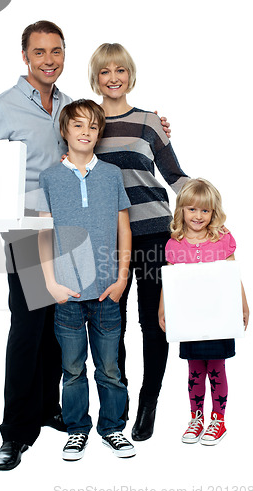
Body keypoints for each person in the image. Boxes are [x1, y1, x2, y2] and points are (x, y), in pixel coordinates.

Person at [0, 24, 170, 468]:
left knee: (58, 330)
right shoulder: (3, 107)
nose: (49, 59)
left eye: (57, 51)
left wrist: (156, 127)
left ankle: (54, 410)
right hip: (28, 232)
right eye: (40, 52)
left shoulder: (68, 105)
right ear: (24, 55)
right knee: (27, 331)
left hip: (75, 236)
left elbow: (102, 128)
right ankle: (15, 433)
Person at [88, 43, 189, 441]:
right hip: (107, 239)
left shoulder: (149, 122)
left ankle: (149, 400)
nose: (113, 78)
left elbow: (175, 176)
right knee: (112, 322)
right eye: (104, 72)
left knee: (154, 322)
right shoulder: (87, 124)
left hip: (153, 233)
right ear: (94, 78)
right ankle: (120, 399)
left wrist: (206, 202)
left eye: (120, 70)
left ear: (130, 74)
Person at [37, 99, 135, 460]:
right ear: (65, 131)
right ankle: (77, 430)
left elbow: (124, 228)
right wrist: (50, 283)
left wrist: (122, 276)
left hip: (108, 292)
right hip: (68, 294)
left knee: (110, 369)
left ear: (99, 132)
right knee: (72, 369)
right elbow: (43, 233)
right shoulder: (49, 177)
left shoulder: (111, 175)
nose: (85, 132)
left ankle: (113, 428)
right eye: (78, 125)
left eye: (93, 127)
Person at [158, 178, 249, 445]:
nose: (198, 216)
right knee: (195, 369)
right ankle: (196, 417)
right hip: (190, 319)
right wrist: (164, 308)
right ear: (182, 210)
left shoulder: (222, 238)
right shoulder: (175, 244)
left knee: (217, 368)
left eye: (205, 210)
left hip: (219, 316)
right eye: (192, 209)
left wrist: (243, 304)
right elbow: (170, 280)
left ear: (213, 212)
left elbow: (233, 275)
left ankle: (218, 420)